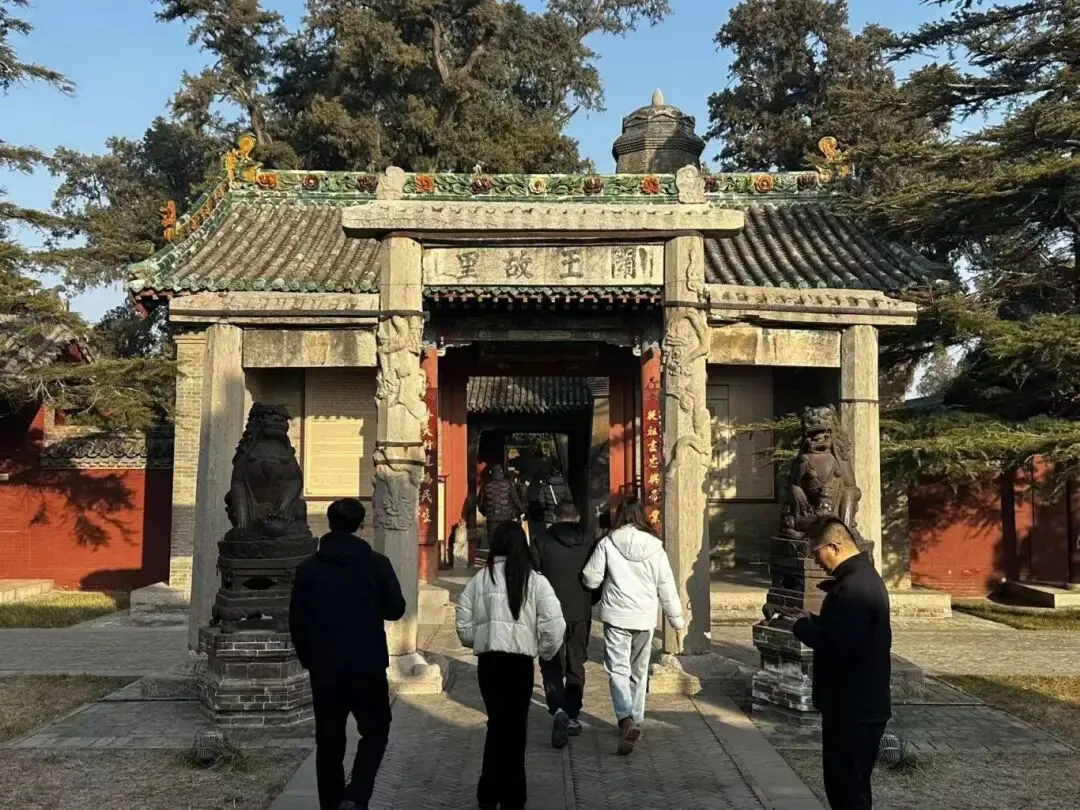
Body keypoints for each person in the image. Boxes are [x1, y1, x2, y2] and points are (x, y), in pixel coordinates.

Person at [289, 498, 406, 810]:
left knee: (328, 741)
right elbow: (395, 609)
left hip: (324, 667)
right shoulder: (377, 564)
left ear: (330, 525)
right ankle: (356, 795)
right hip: (367, 664)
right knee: (376, 730)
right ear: (361, 526)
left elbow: (296, 621)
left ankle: (331, 804)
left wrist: (309, 659)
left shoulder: (308, 568)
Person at [455, 522, 565, 810]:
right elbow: (555, 625)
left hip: (490, 662)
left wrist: (478, 638)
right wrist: (543, 651)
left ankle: (488, 794)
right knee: (515, 730)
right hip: (519, 664)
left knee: (496, 725)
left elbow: (463, 620)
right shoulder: (535, 581)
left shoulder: (481, 579)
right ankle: (513, 798)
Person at [792, 517, 892, 810]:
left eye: (816, 553)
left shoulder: (856, 586)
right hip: (851, 704)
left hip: (855, 706)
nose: (815, 561)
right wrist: (813, 621)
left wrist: (801, 628)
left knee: (848, 791)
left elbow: (840, 643)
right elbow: (845, 629)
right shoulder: (858, 578)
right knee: (844, 788)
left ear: (835, 546)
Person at [581, 496, 683, 756]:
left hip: (616, 616)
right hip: (644, 617)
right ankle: (636, 719)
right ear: (641, 516)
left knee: (618, 670)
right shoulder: (655, 547)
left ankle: (625, 718)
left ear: (619, 515)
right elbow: (666, 586)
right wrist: (676, 621)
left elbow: (591, 578)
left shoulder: (607, 542)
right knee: (639, 670)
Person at [532, 501, 599, 748]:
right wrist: (589, 600)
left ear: (555, 517)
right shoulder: (590, 543)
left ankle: (558, 708)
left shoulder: (541, 542)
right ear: (578, 517)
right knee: (575, 663)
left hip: (549, 612)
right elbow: (597, 577)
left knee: (551, 662)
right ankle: (572, 714)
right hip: (580, 612)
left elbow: (533, 577)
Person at [478, 464, 525, 543]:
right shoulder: (508, 484)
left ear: (491, 473)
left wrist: (485, 512)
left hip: (492, 519)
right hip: (506, 518)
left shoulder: (486, 485)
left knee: (493, 542)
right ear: (501, 472)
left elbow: (479, 503)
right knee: (506, 541)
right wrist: (521, 511)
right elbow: (516, 500)